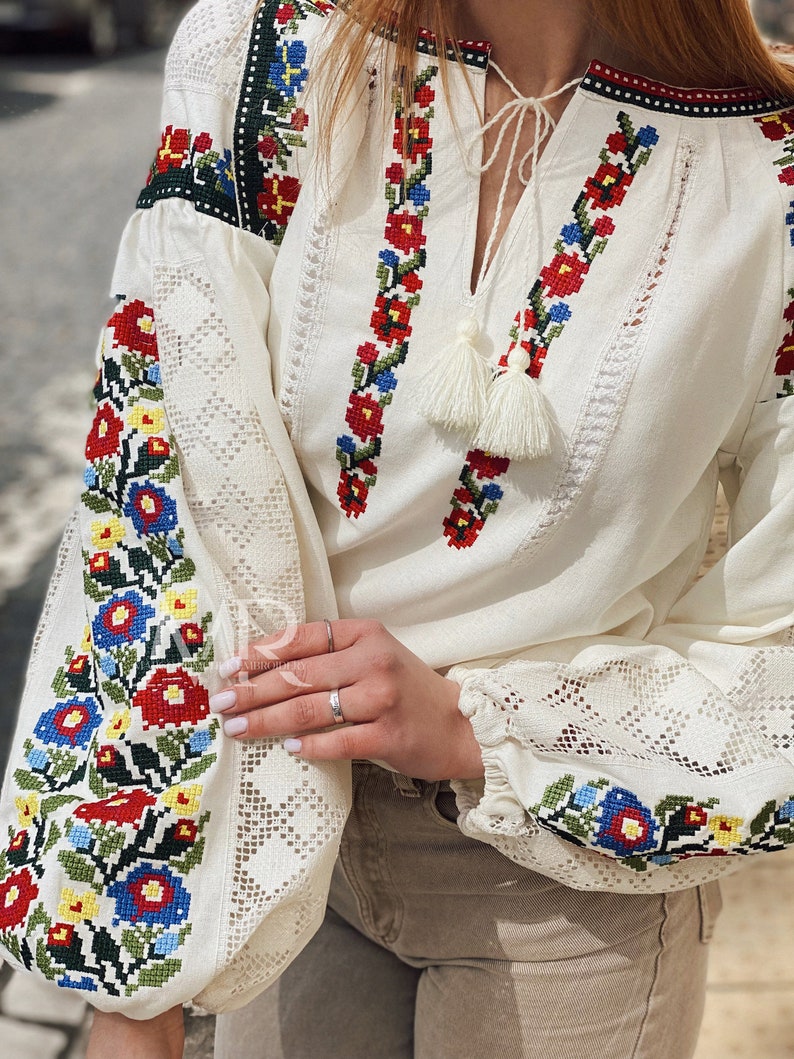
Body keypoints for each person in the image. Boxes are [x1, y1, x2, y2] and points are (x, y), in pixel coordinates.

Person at [54, 0, 794, 1055]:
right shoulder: (264, 63)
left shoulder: (769, 172)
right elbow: (152, 505)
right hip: (267, 838)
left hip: (567, 901)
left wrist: (476, 728)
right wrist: (134, 976)